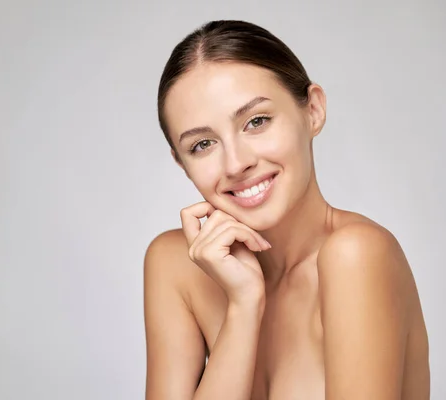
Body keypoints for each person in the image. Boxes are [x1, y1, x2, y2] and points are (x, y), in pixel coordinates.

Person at [143, 20, 430, 400]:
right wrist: (243, 306)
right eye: (202, 144)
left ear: (312, 110)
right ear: (182, 163)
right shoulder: (175, 263)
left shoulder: (355, 255)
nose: (236, 163)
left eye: (256, 121)